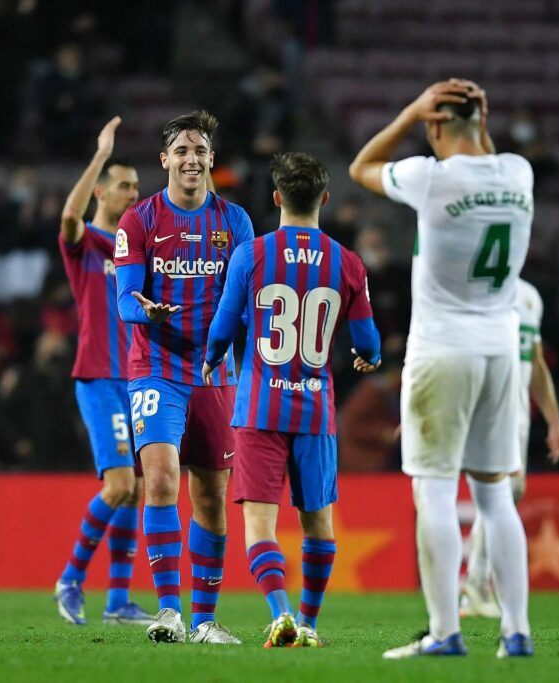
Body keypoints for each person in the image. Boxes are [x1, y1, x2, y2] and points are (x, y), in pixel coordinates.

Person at [349, 79, 536, 658]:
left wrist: (408, 112)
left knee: (432, 493)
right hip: (501, 350)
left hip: (442, 351)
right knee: (496, 498)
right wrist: (476, 118)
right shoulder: (520, 173)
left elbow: (362, 166)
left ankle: (445, 632)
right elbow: (484, 145)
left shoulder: (431, 178)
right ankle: (517, 632)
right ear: (483, 121)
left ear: (434, 127)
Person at [202, 152, 382, 649]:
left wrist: (213, 357)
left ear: (277, 197)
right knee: (318, 524)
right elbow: (369, 344)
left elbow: (220, 331)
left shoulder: (251, 254)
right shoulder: (347, 262)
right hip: (315, 410)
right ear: (325, 198)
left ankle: (279, 612)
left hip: (259, 407)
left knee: (260, 523)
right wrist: (367, 357)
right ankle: (309, 624)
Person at [114, 110, 253, 644]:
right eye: (182, 151)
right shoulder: (140, 221)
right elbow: (125, 298)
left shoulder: (235, 221)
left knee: (212, 496)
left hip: (217, 374)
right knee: (163, 479)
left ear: (211, 160)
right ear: (165, 160)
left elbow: (246, 300)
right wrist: (146, 311)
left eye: (200, 151)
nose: (191, 159)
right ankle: (168, 612)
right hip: (156, 368)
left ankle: (205, 621)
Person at [52, 116, 152, 626]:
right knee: (117, 485)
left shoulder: (138, 254)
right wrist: (99, 155)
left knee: (134, 486)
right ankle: (70, 579)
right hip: (99, 378)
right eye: (126, 186)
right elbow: (69, 216)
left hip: (138, 381)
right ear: (104, 192)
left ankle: (118, 601)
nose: (135, 194)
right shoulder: (88, 242)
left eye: (137, 186)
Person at [461, 278, 559, 618]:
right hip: (488, 407)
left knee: (511, 491)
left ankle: (476, 586)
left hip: (518, 414)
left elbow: (535, 362)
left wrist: (553, 420)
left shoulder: (530, 296)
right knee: (498, 491)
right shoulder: (477, 287)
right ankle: (474, 586)